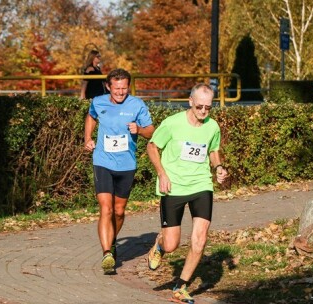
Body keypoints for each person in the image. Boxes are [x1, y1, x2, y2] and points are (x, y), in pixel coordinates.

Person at [146, 83, 229, 303]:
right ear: (190, 101)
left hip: (201, 185)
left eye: (208, 108)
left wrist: (218, 167)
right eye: (199, 106)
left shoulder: (212, 126)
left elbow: (213, 150)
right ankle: (160, 244)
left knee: (200, 239)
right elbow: (152, 147)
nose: (203, 111)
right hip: (173, 186)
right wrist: (162, 174)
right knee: (172, 244)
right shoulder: (172, 124)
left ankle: (180, 287)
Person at [84, 68, 155, 274]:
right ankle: (107, 253)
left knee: (119, 211)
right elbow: (91, 117)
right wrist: (87, 138)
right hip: (103, 161)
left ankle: (112, 241)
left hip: (126, 165)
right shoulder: (99, 101)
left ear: (128, 87)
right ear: (108, 86)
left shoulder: (137, 105)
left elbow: (151, 130)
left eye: (124, 88)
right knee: (106, 209)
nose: (120, 92)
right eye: (116, 88)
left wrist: (139, 130)